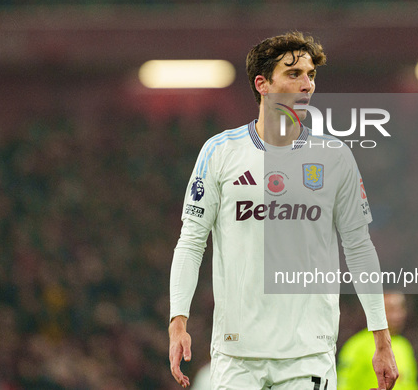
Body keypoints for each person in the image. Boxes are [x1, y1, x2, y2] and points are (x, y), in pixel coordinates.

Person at [168, 31, 398, 390]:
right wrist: (177, 321)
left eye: (311, 75)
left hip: (308, 352)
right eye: (294, 75)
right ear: (262, 84)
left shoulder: (334, 157)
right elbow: (191, 241)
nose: (307, 85)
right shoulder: (220, 152)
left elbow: (359, 248)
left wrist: (381, 340)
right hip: (235, 355)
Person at [338, 293, 418, 390]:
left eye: (400, 309)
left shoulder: (404, 346)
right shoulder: (357, 346)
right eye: (390, 309)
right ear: (377, 312)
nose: (397, 315)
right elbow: (344, 385)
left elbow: (411, 384)